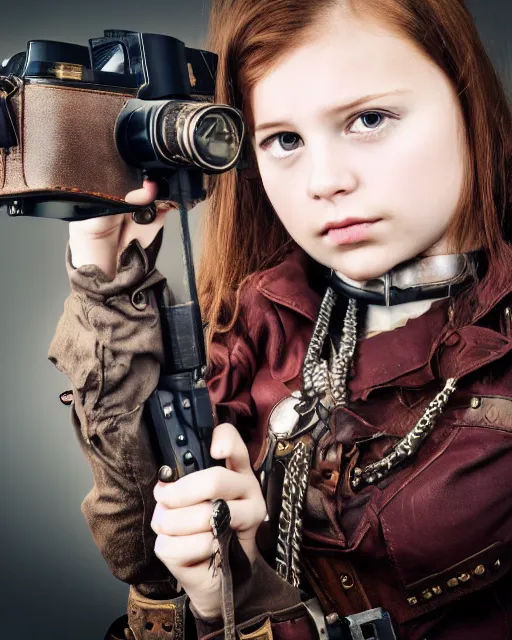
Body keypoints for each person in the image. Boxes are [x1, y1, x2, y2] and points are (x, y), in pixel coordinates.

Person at [49, 0, 512, 638]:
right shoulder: (259, 323)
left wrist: (253, 604)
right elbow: (137, 555)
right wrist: (105, 272)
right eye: (284, 140)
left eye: (369, 119)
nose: (325, 181)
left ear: (465, 100)